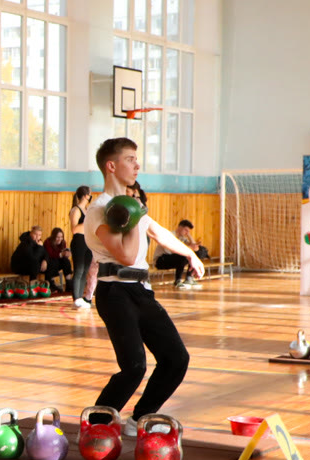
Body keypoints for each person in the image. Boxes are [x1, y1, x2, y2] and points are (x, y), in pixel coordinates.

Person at [86, 137, 203, 434]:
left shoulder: (132, 206)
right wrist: (134, 215)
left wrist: (190, 253)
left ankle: (139, 419)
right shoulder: (100, 209)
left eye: (137, 159)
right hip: (114, 292)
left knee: (176, 358)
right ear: (111, 166)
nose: (137, 165)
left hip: (141, 292)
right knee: (134, 367)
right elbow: (124, 254)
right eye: (130, 159)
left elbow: (160, 233)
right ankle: (95, 424)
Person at [154, 220, 210, 289]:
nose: (186, 232)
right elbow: (170, 251)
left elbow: (194, 247)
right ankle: (178, 281)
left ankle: (189, 278)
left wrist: (189, 235)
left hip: (173, 259)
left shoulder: (183, 238)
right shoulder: (171, 235)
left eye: (188, 231)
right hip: (161, 260)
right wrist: (188, 248)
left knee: (195, 252)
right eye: (185, 230)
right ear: (180, 227)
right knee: (183, 255)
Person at [68, 187, 95, 311]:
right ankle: (76, 298)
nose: (91, 196)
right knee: (78, 270)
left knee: (85, 270)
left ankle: (81, 298)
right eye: (90, 194)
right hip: (79, 241)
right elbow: (74, 229)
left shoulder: (87, 210)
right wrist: (88, 222)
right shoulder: (76, 210)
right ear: (85, 196)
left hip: (88, 241)